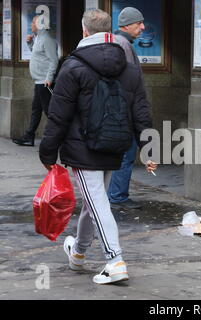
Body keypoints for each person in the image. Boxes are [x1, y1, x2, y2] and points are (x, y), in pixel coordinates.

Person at [39, 9, 157, 285]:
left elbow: (59, 114)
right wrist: (150, 149)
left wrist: (47, 152)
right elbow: (141, 110)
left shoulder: (72, 66)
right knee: (93, 203)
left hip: (83, 148)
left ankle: (114, 260)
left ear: (84, 31)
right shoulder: (128, 66)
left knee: (97, 203)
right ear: (108, 30)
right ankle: (78, 253)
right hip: (115, 144)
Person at [107, 7, 146, 209]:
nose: (142, 27)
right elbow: (129, 82)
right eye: (138, 23)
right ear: (127, 25)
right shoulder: (123, 45)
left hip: (114, 110)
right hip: (123, 111)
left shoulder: (116, 41)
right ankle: (117, 196)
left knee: (122, 154)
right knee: (127, 154)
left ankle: (115, 194)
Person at [13, 15, 58, 147]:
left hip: (44, 82)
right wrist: (29, 44)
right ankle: (29, 136)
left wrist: (49, 79)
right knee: (36, 109)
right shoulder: (39, 38)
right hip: (39, 81)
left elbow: (53, 60)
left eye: (33, 23)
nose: (31, 25)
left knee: (50, 111)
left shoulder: (47, 40)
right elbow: (37, 54)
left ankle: (60, 138)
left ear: (39, 25)